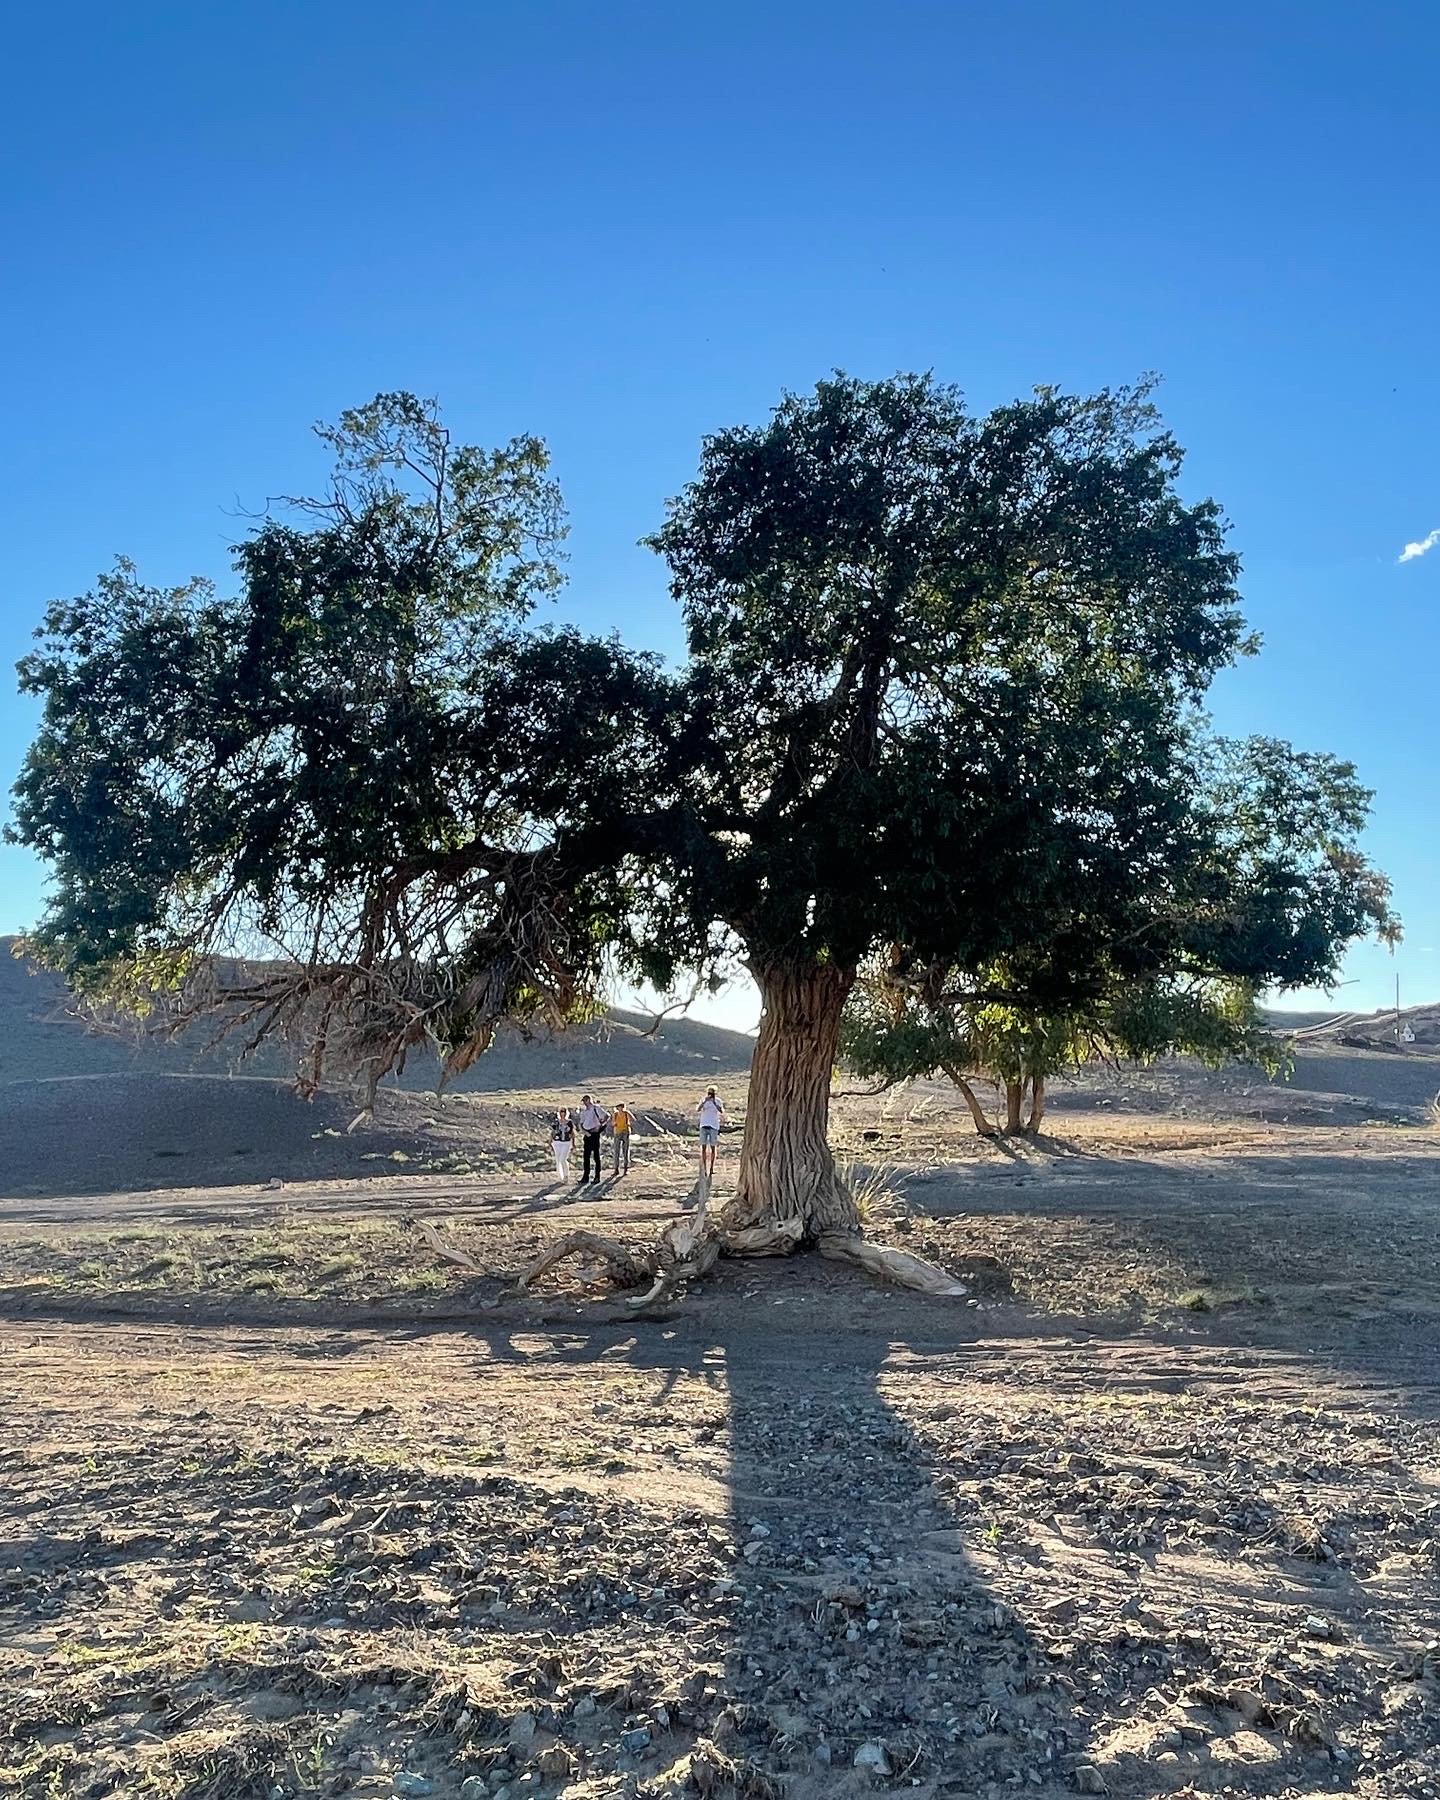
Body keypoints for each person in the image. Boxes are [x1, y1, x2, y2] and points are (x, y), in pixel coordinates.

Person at [576, 1093, 609, 1185]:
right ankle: (585, 1177)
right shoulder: (584, 1112)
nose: (585, 1103)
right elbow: (581, 1124)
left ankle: (597, 1176)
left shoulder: (596, 1108)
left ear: (589, 1100)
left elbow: (606, 1116)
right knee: (586, 1157)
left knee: (596, 1156)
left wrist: (601, 1124)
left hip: (595, 1133)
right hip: (587, 1134)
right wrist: (584, 1131)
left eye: (585, 1101)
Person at [697, 1086, 724, 1178]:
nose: (710, 1095)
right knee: (703, 1147)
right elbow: (698, 1109)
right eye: (709, 1093)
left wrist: (714, 1102)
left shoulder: (718, 1101)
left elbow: (721, 1111)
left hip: (713, 1125)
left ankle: (712, 1168)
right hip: (704, 1125)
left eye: (712, 1093)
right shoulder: (703, 1100)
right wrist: (705, 1101)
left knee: (713, 1147)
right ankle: (704, 1167)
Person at [550, 1107, 574, 1182]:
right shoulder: (556, 1122)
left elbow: (572, 1133)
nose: (562, 1113)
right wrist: (550, 1141)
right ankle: (561, 1176)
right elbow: (553, 1132)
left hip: (566, 1142)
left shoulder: (569, 1122)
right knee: (558, 1159)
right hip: (557, 1142)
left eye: (564, 1112)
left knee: (563, 1159)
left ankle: (566, 1175)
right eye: (561, 1112)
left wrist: (573, 1143)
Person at [611, 1099, 633, 1176]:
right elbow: (612, 1123)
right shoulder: (616, 1114)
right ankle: (616, 1169)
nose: (620, 1108)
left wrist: (628, 1123)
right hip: (617, 1133)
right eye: (619, 1107)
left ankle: (625, 1169)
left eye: (621, 1107)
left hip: (625, 1132)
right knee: (616, 1151)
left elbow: (633, 1119)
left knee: (625, 1151)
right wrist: (615, 1123)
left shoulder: (626, 1114)